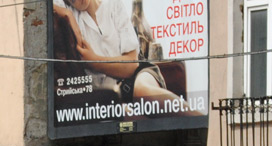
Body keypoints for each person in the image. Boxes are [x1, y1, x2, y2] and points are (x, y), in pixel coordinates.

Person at [52, 0, 199, 113]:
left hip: (136, 75)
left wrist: (94, 62)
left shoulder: (113, 4)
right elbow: (36, 5)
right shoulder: (70, 11)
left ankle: (200, 124)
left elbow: (131, 65)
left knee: (142, 91)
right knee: (123, 112)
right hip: (107, 93)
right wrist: (67, 14)